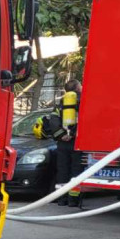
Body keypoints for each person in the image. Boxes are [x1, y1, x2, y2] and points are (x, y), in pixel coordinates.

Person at [54, 79, 81, 207]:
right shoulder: (81, 102)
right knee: (76, 170)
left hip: (62, 143)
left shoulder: (60, 103)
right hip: (76, 142)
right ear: (77, 88)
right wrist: (73, 134)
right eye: (80, 85)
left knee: (62, 170)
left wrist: (61, 135)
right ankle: (73, 200)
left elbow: (53, 121)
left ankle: (61, 199)